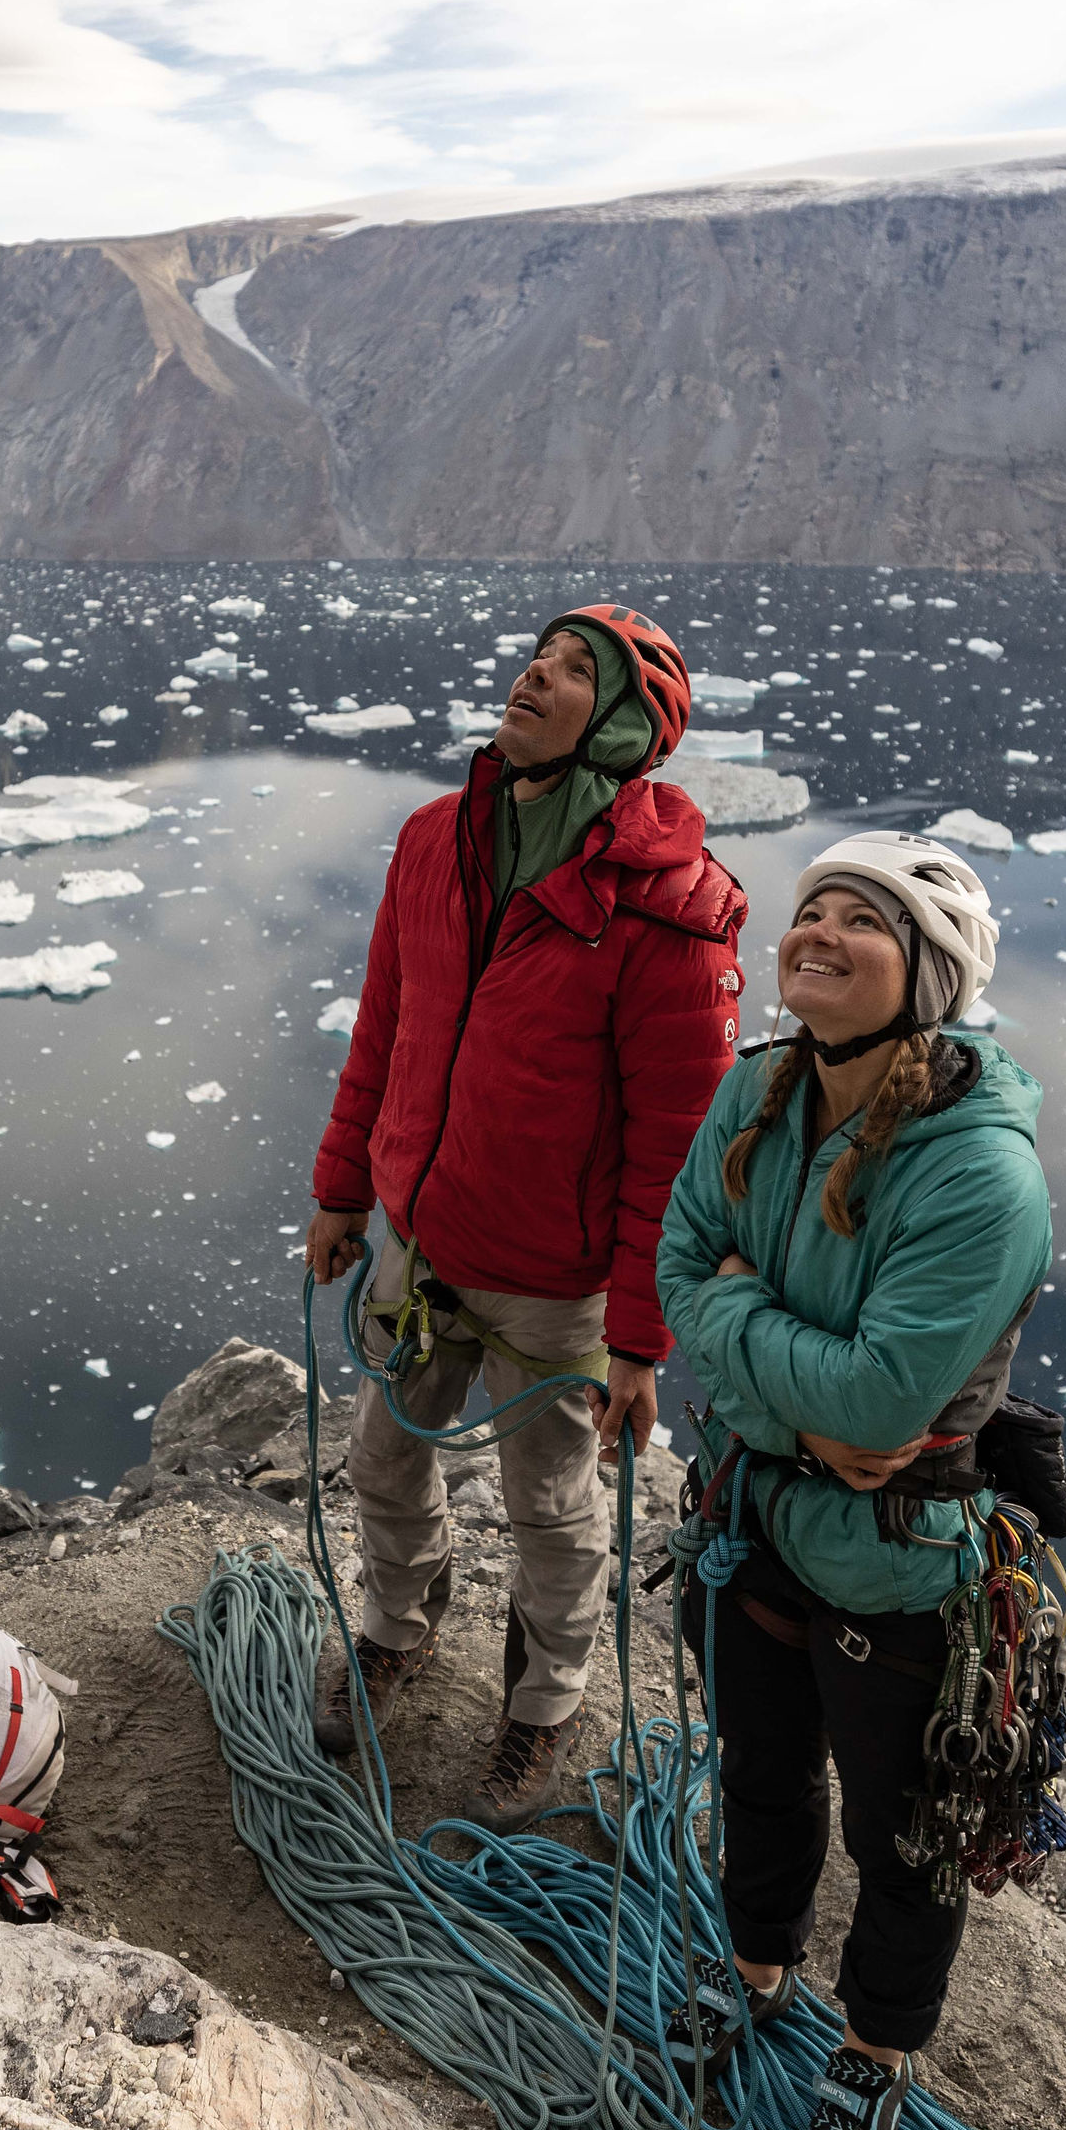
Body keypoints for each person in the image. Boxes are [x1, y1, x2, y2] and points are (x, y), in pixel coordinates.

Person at [648, 830, 1050, 2130]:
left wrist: (754, 1339)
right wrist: (797, 1400)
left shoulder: (978, 1173)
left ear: (928, 976)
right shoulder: (758, 1094)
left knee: (904, 1834)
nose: (814, 932)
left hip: (897, 1564)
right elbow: (680, 1254)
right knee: (761, 1772)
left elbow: (883, 1401)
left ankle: (875, 2043)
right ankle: (758, 1964)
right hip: (766, 1510)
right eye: (808, 910)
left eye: (858, 921)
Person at [303, 601, 744, 1826]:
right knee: (384, 1453)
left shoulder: (672, 914)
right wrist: (345, 1186)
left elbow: (678, 1157)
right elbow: (386, 1025)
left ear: (621, 727)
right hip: (415, 1241)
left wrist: (644, 1342)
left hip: (556, 1287)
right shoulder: (434, 839)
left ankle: (543, 1704)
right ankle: (400, 1621)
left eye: (570, 673)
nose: (531, 678)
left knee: (553, 1509)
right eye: (536, 659)